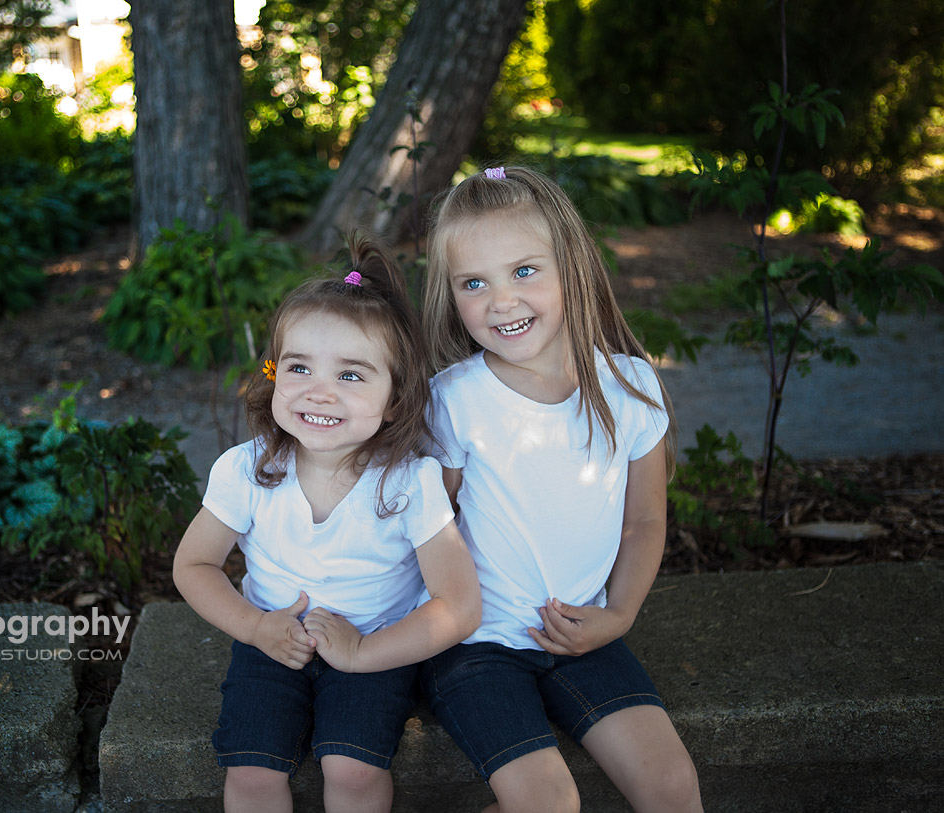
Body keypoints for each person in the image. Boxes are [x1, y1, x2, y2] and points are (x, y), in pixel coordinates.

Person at [419, 166, 702, 812]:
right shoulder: (457, 400)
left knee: (673, 785)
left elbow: (644, 524)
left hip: (584, 633)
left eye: (524, 271)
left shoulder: (630, 388)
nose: (501, 300)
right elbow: (426, 528)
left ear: (570, 264)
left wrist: (618, 615)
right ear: (454, 294)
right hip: (476, 644)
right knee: (549, 802)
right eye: (474, 282)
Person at [173, 233, 482, 813]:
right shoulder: (249, 469)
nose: (319, 390)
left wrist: (365, 652)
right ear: (273, 375)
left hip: (376, 644)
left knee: (352, 768)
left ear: (396, 397)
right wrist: (254, 627)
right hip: (270, 640)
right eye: (299, 367)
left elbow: (459, 605)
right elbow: (194, 564)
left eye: (351, 375)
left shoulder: (410, 483)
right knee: (251, 771)